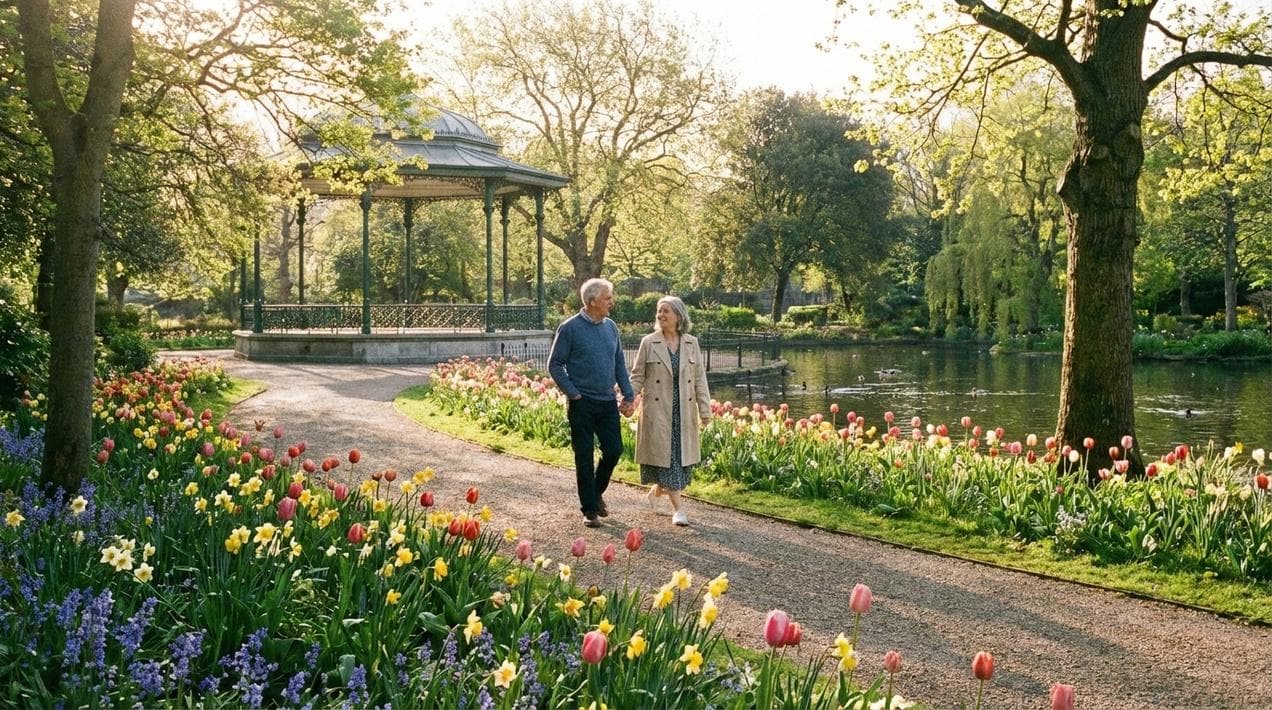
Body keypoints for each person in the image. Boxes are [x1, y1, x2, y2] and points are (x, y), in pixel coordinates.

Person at [548, 278, 635, 528]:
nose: (612, 302)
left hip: (607, 400)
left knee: (614, 449)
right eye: (608, 298)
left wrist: (628, 395)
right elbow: (555, 364)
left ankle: (595, 493)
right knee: (584, 456)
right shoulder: (570, 328)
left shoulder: (611, 327)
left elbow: (618, 362)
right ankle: (589, 509)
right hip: (582, 403)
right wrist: (573, 393)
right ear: (592, 301)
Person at [629, 296, 711, 526]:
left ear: (678, 315)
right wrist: (628, 400)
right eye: (658, 311)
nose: (660, 315)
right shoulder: (649, 342)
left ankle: (656, 493)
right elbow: (637, 377)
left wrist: (705, 411)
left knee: (675, 460)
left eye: (665, 311)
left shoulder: (691, 343)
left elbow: (699, 380)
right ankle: (679, 510)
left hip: (683, 412)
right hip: (657, 411)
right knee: (669, 460)